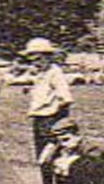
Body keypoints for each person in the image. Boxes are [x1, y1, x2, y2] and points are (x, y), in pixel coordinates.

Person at [22, 38, 73, 167]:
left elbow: (65, 98)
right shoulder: (41, 74)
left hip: (50, 118)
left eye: (39, 59)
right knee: (41, 154)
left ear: (48, 57)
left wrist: (57, 120)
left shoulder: (55, 73)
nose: (36, 63)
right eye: (33, 60)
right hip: (39, 117)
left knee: (50, 152)